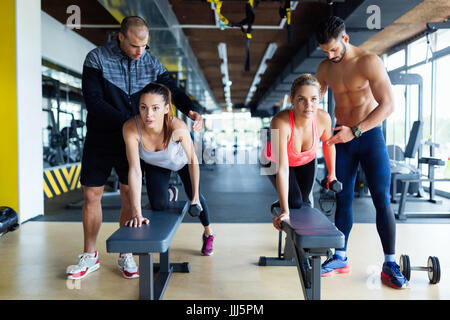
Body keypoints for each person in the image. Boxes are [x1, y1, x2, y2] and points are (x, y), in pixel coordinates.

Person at [67, 16, 204, 281]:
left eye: (144, 46)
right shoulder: (96, 58)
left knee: (130, 193)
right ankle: (89, 254)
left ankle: (126, 252)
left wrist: (190, 110)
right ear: (120, 37)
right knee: (92, 194)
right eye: (134, 46)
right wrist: (133, 124)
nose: (140, 52)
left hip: (132, 138)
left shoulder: (149, 62)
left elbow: (171, 89)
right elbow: (94, 102)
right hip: (102, 136)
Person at [314, 16, 408, 289]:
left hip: (368, 137)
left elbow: (388, 105)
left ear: (345, 39)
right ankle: (341, 257)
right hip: (341, 140)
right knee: (342, 198)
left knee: (381, 198)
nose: (330, 55)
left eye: (333, 49)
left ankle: (390, 263)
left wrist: (354, 131)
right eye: (324, 51)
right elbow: (315, 107)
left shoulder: (369, 62)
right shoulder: (324, 69)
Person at [122, 82, 214, 256]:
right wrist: (136, 213)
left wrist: (194, 197)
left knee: (198, 197)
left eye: (155, 108)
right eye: (144, 107)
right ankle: (170, 192)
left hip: (182, 162)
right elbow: (134, 170)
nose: (148, 114)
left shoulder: (177, 128)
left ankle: (208, 233)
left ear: (166, 109)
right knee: (159, 205)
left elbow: (193, 160)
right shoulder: (131, 128)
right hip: (156, 164)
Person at [264, 74, 336, 231]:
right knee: (294, 202)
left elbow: (329, 144)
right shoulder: (280, 122)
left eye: (314, 99)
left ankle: (298, 250)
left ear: (320, 98)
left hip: (306, 160)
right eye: (301, 99)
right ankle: (281, 203)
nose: (308, 105)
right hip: (274, 160)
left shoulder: (324, 118)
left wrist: (332, 174)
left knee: (304, 204)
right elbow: (282, 168)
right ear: (292, 100)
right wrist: (284, 210)